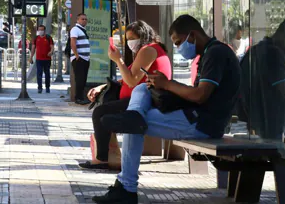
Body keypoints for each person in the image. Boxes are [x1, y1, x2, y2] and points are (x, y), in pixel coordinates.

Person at [92, 15, 241, 203]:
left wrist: (168, 84)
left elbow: (200, 95)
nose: (179, 48)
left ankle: (126, 189)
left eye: (179, 42)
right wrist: (163, 85)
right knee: (140, 92)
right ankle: (134, 114)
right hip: (193, 115)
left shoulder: (216, 54)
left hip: (203, 123)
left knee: (132, 124)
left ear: (192, 35)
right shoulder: (209, 53)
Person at [79, 20, 172, 170]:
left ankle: (102, 158)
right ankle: (107, 155)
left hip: (145, 100)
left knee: (100, 112)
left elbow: (132, 81)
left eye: (132, 38)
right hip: (138, 98)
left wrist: (118, 60)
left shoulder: (148, 50)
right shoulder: (147, 50)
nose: (130, 43)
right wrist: (101, 86)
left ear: (143, 36)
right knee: (103, 109)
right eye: (127, 39)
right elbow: (126, 78)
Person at [70, 13, 91, 105]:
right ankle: (78, 98)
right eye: (82, 19)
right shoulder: (75, 29)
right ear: (78, 20)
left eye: (86, 19)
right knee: (79, 79)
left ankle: (81, 97)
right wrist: (77, 56)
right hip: (79, 58)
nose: (84, 21)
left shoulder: (83, 30)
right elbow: (73, 43)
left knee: (83, 79)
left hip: (85, 59)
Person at [29, 25, 55, 93]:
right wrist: (31, 57)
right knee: (39, 74)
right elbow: (33, 48)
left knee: (47, 74)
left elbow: (52, 47)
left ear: (44, 30)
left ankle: (47, 87)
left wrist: (51, 52)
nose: (40, 31)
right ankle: (39, 88)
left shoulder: (48, 38)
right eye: (39, 30)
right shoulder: (36, 38)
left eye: (42, 30)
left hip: (47, 59)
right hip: (39, 59)